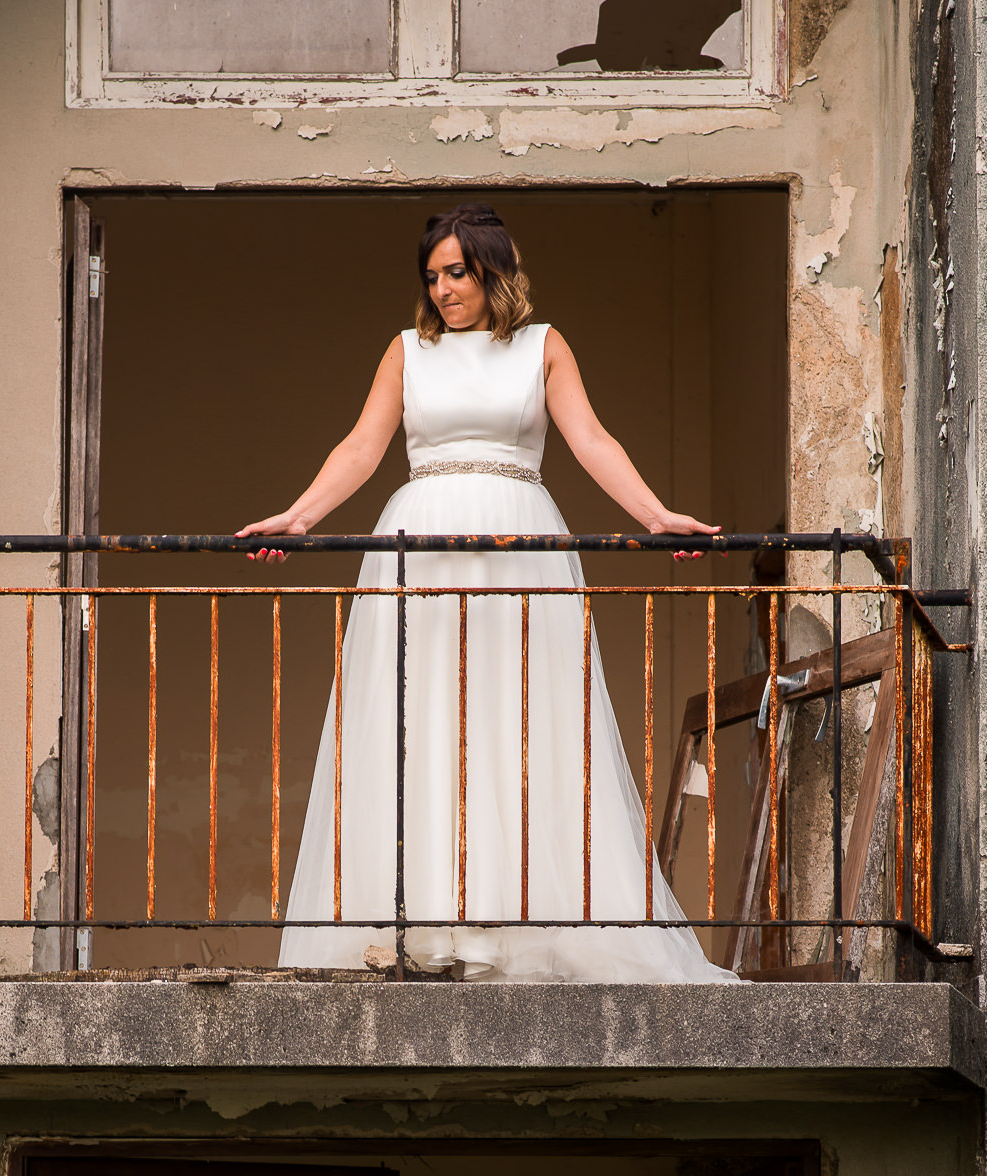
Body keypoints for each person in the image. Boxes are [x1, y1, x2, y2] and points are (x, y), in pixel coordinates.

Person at [237, 201, 735, 983]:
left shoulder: (543, 347)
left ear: (492, 270)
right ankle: (423, 928)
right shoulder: (406, 351)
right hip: (420, 540)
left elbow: (592, 440)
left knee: (516, 717)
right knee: (422, 718)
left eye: (455, 273)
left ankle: (505, 929)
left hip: (518, 538)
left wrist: (656, 515)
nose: (441, 290)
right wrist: (299, 518)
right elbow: (362, 447)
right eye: (430, 276)